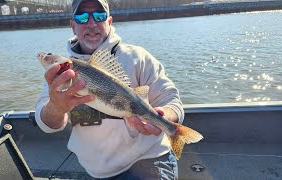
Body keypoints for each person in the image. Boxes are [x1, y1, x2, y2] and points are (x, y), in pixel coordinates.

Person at [35, 0, 184, 179]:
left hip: (149, 160)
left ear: (109, 21)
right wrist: (55, 107)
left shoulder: (138, 57)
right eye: (82, 17)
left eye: (99, 16)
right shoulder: (59, 75)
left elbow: (172, 101)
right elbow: (47, 124)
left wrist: (162, 118)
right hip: (96, 172)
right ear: (73, 26)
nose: (91, 24)